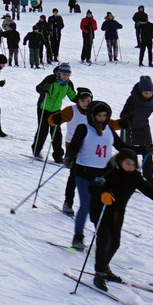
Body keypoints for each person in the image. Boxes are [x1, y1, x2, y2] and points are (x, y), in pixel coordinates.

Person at [92, 150, 153, 290]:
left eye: (133, 164)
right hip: (101, 210)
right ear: (120, 162)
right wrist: (102, 194)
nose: (130, 167)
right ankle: (99, 273)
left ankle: (104, 268)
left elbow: (150, 190)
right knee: (104, 241)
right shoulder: (109, 171)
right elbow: (94, 187)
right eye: (127, 163)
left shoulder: (136, 176)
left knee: (115, 243)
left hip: (118, 212)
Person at [65, 101, 124, 250]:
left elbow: (122, 147)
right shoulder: (83, 128)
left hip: (103, 175)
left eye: (105, 116)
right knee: (86, 205)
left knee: (102, 207)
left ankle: (103, 237)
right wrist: (69, 157)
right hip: (84, 173)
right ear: (92, 115)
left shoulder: (109, 130)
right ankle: (78, 236)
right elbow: (73, 146)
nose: (102, 118)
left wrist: (142, 149)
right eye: (99, 116)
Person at [48, 87, 96, 216]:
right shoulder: (71, 110)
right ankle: (68, 202)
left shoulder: (94, 111)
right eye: (83, 101)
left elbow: (107, 123)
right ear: (78, 101)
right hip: (73, 146)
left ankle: (92, 204)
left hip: (89, 147)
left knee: (92, 176)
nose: (86, 103)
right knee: (74, 176)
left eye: (88, 101)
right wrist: (55, 119)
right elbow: (52, 120)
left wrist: (121, 124)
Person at [33, 63, 75, 162]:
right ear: (58, 73)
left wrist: (83, 97)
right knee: (43, 130)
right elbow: (38, 88)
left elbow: (73, 97)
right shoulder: (51, 79)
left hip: (56, 110)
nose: (65, 77)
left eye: (67, 75)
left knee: (56, 133)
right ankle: (36, 150)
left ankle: (58, 156)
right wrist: (43, 88)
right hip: (43, 108)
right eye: (63, 74)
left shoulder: (68, 84)